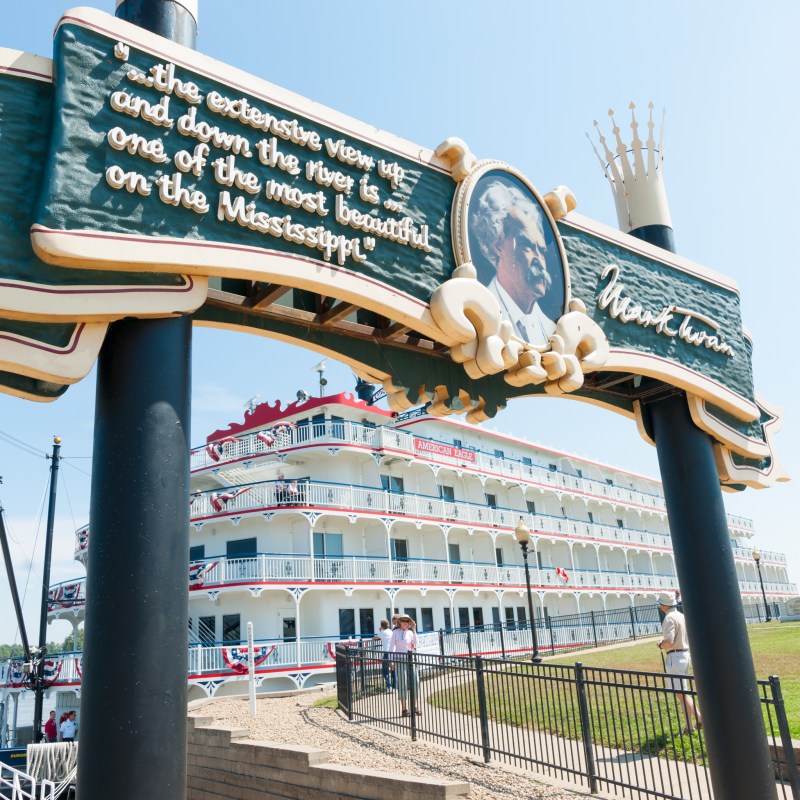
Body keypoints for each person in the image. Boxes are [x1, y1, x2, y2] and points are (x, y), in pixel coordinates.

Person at [469, 176, 559, 346]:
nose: (539, 259)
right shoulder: (478, 313)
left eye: (542, 250)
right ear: (498, 245)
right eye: (527, 246)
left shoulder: (551, 331)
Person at [657, 592, 702, 734]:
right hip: (685, 654)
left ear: (664, 605)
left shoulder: (669, 618)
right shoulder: (681, 616)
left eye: (660, 603)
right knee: (682, 692)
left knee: (681, 693)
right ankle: (698, 719)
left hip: (675, 656)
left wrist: (660, 644)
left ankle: (691, 725)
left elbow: (669, 642)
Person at [390, 615, 420, 717]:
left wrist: (414, 628)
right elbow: (392, 646)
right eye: (403, 621)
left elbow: (416, 643)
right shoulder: (395, 632)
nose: (405, 623)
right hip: (400, 660)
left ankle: (414, 707)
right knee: (402, 683)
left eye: (407, 621)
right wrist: (392, 660)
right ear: (400, 622)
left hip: (411, 660)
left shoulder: (410, 632)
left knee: (415, 682)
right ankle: (404, 709)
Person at [374, 619, 395, 693]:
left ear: (381, 625)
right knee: (393, 670)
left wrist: (380, 631)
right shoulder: (390, 631)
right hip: (393, 652)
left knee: (385, 671)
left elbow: (375, 638)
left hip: (386, 652)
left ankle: (389, 687)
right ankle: (394, 687)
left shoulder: (383, 632)